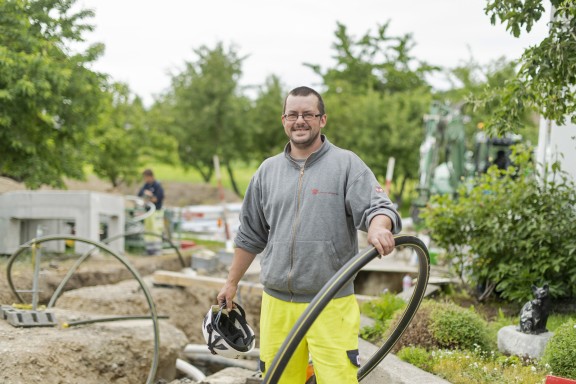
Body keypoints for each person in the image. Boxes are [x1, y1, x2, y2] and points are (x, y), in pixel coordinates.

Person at [217, 86, 401, 383]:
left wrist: (379, 226)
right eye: (293, 114)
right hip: (277, 304)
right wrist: (231, 282)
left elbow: (379, 207)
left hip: (331, 302)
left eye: (308, 114)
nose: (299, 120)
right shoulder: (267, 172)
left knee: (338, 379)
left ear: (322, 119)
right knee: (279, 379)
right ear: (284, 120)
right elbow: (250, 234)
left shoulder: (346, 165)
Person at [137, 169, 165, 255]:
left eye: (146, 177)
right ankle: (149, 249)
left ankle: (157, 250)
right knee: (148, 230)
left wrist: (150, 196)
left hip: (156, 212)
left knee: (155, 230)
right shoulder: (146, 186)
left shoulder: (157, 186)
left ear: (150, 176)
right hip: (148, 212)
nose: (145, 179)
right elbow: (139, 194)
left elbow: (157, 198)